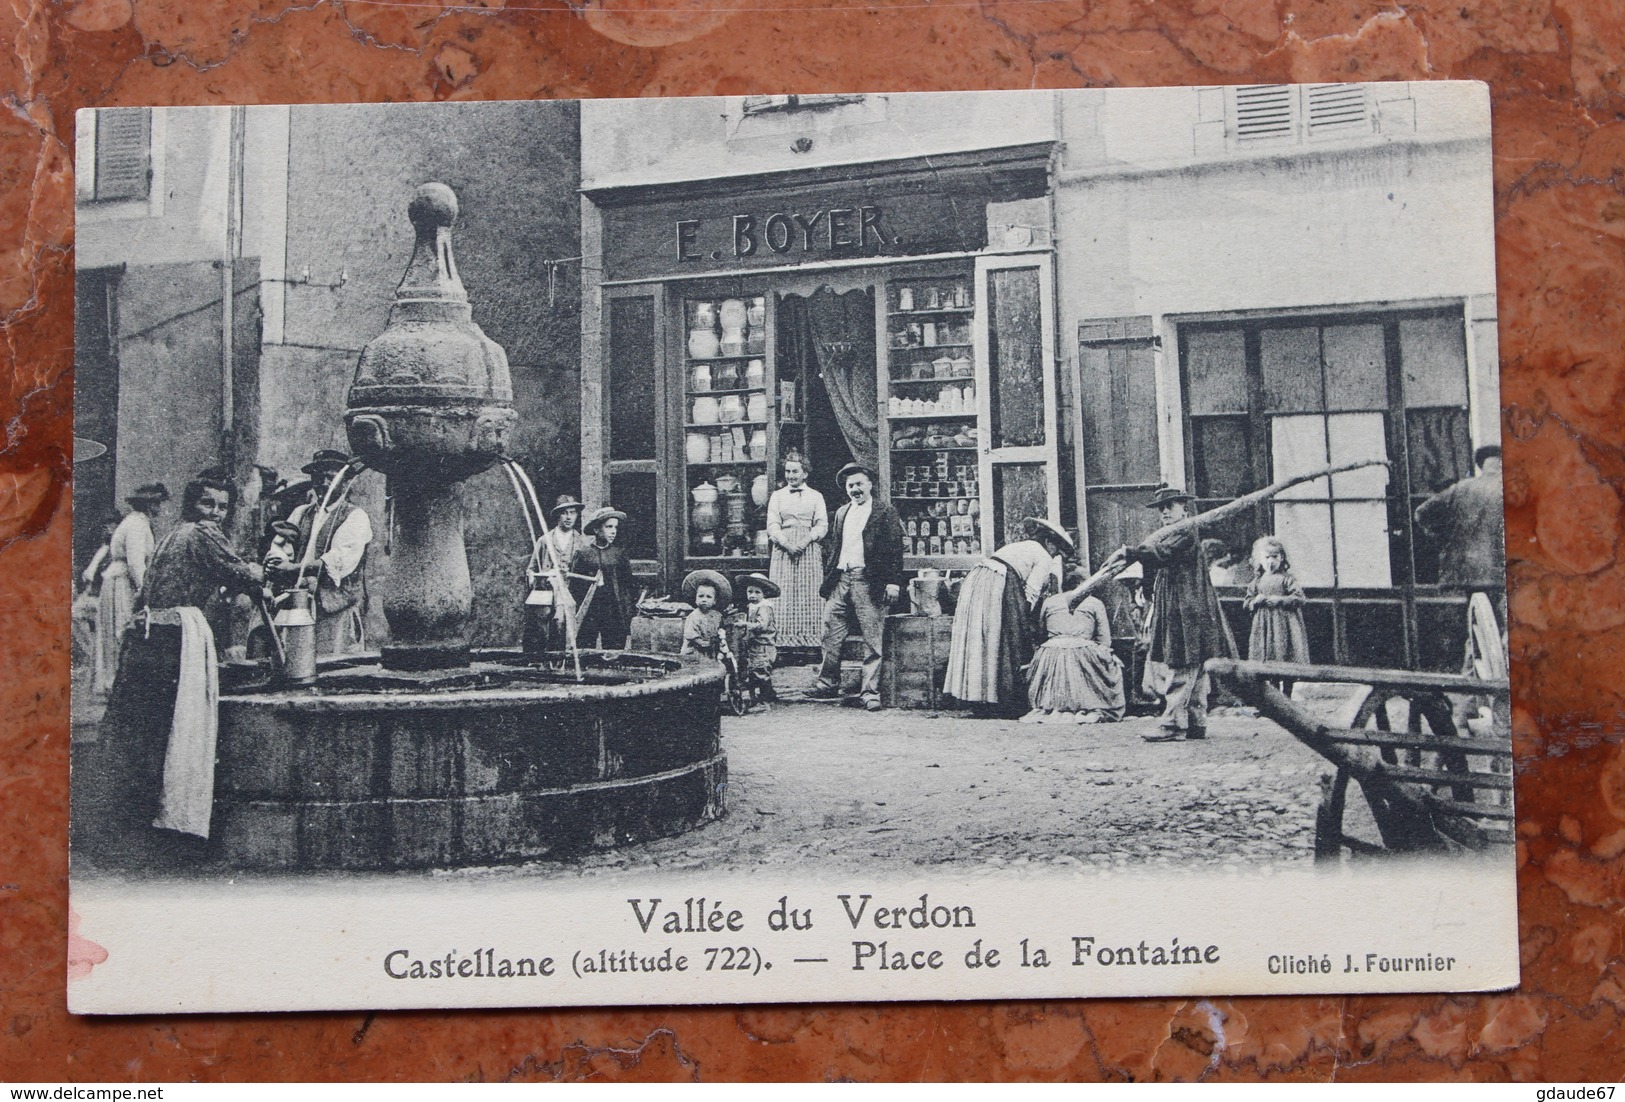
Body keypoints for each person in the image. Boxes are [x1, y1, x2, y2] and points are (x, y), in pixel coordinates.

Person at [97, 472, 273, 865]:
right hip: (177, 634)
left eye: (223, 506)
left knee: (142, 730)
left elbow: (146, 590)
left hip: (148, 632)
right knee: (179, 727)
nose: (215, 512)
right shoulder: (203, 534)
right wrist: (264, 572)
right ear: (192, 504)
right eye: (207, 503)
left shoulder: (174, 533)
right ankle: (172, 833)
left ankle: (125, 832)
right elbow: (243, 573)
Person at [1107, 484, 1238, 742]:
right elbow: (1155, 560)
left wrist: (1130, 552)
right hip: (1181, 603)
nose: (1165, 512)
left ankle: (1172, 724)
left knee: (1183, 661)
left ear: (1184, 508)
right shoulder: (1171, 532)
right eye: (1161, 508)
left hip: (1188, 606)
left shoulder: (1186, 531)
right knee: (1195, 665)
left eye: (1170, 506)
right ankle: (1194, 722)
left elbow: (1161, 553)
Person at [944, 517, 1076, 713]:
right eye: (1057, 551)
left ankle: (976, 697)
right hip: (998, 582)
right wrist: (1026, 618)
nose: (1055, 556)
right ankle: (1001, 699)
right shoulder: (1044, 556)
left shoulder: (1020, 546)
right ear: (1049, 543)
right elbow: (1032, 590)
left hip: (977, 580)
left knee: (980, 637)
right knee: (1003, 638)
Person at [809, 462, 905, 712]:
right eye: (851, 486)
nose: (855, 489)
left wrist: (893, 581)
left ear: (870, 485)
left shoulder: (885, 511)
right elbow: (835, 547)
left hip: (868, 579)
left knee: (872, 638)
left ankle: (870, 692)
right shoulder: (842, 513)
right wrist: (831, 577)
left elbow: (894, 549)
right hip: (841, 578)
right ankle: (827, 683)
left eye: (859, 484)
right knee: (831, 632)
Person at [285, 449, 372, 656]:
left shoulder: (355, 517)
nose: (323, 484)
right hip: (299, 607)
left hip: (334, 610)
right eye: (318, 477)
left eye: (330, 478)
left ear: (345, 481)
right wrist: (278, 562)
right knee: (297, 664)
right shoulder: (300, 513)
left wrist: (291, 570)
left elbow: (337, 561)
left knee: (332, 666)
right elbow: (281, 547)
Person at [1022, 564, 1126, 724]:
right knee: (1112, 664)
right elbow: (1105, 640)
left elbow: (1042, 633)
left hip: (1051, 653)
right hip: (1083, 652)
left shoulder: (1050, 602)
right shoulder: (1095, 603)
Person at [95, 482, 169, 696]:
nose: (160, 508)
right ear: (150, 504)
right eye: (158, 503)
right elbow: (136, 562)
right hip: (123, 582)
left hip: (122, 579)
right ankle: (118, 683)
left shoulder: (138, 522)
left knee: (123, 629)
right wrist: (145, 590)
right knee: (123, 628)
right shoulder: (137, 524)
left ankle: (119, 682)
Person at [1415, 444, 1507, 615]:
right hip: (1498, 571)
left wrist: (1442, 538)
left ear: (1481, 465)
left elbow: (1421, 513)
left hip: (1463, 572)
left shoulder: (1459, 489)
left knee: (1470, 621)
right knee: (1497, 623)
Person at [766, 453, 828, 649]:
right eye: (788, 471)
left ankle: (810, 645)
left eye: (795, 471)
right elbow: (772, 525)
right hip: (783, 549)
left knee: (809, 593)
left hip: (808, 548)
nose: (791, 475)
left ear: (805, 474)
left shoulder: (816, 496)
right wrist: (787, 543)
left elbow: (822, 525)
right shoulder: (777, 496)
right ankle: (783, 646)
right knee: (783, 594)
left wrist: (805, 541)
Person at [571, 506, 636, 649]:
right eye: (608, 527)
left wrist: (627, 608)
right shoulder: (583, 554)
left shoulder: (619, 554)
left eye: (615, 527)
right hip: (590, 610)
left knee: (614, 647)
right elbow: (575, 586)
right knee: (585, 646)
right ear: (596, 530)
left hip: (613, 608)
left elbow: (627, 584)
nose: (613, 531)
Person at [1244, 535, 1310, 667]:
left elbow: (1300, 599)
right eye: (1267, 557)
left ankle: (1287, 685)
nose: (1271, 561)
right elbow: (1247, 603)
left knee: (1284, 652)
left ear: (1282, 557)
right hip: (1263, 624)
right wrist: (1256, 601)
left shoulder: (1287, 579)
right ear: (1259, 560)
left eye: (1275, 557)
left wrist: (1280, 600)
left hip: (1284, 623)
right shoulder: (1257, 581)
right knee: (1265, 655)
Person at [73, 515, 121, 671]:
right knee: (74, 615)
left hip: (102, 596)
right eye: (104, 526)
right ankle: (90, 653)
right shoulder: (102, 549)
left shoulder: (115, 552)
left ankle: (94, 658)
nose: (106, 530)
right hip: (90, 595)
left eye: (110, 526)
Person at [735, 572, 779, 702]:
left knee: (761, 667)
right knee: (756, 667)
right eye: (750, 592)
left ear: (764, 593)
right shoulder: (753, 606)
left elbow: (763, 625)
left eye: (757, 592)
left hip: (764, 645)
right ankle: (769, 692)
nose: (753, 595)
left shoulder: (765, 607)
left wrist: (746, 624)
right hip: (755, 643)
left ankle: (766, 694)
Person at [679, 569, 731, 659]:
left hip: (710, 650)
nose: (704, 599)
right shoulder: (694, 616)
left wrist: (720, 639)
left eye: (708, 597)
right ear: (695, 598)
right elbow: (692, 637)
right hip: (695, 650)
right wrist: (706, 643)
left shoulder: (717, 616)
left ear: (714, 601)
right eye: (701, 596)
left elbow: (721, 629)